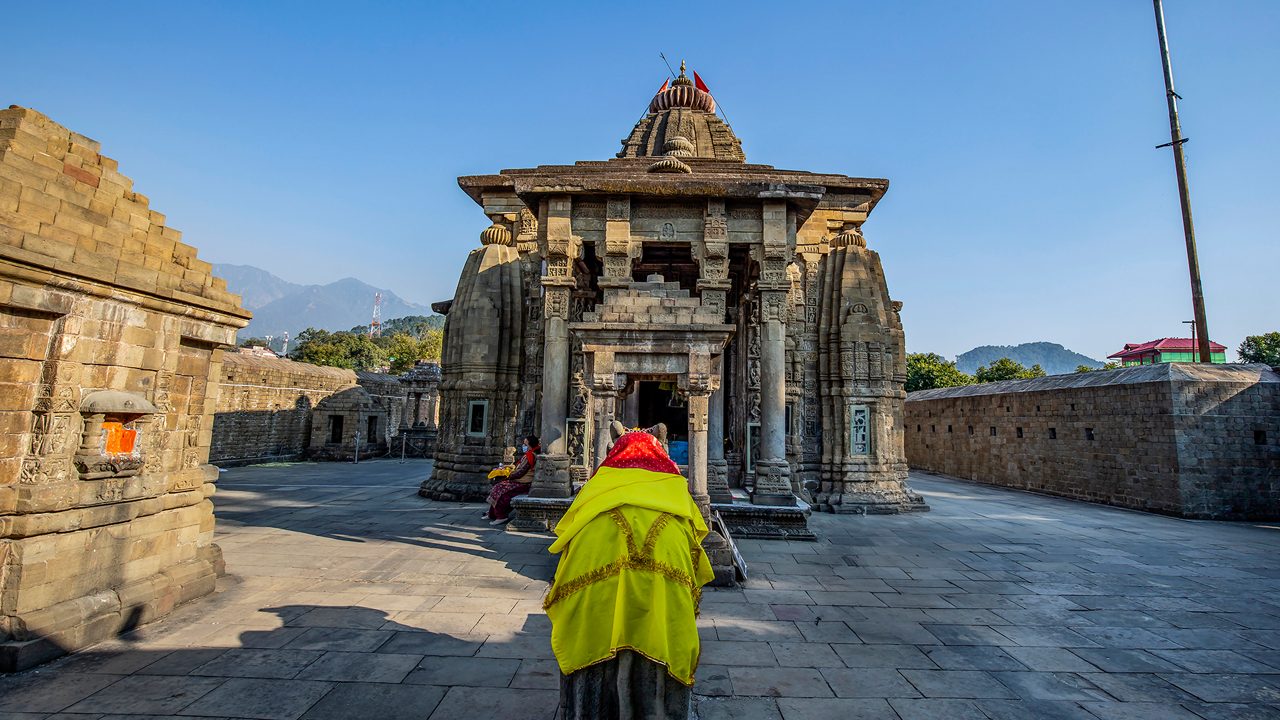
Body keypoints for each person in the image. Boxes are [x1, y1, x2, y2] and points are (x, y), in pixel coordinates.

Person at [544, 428, 714, 719]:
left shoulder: (591, 512)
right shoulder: (675, 518)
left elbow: (565, 574)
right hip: (659, 633)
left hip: (596, 639)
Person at [484, 435, 538, 526]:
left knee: (500, 489)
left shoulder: (531, 455)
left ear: (530, 445)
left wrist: (508, 476)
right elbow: (519, 468)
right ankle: (492, 514)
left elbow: (521, 472)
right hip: (519, 480)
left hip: (524, 483)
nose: (523, 446)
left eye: (525, 444)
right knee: (498, 487)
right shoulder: (528, 454)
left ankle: (501, 516)